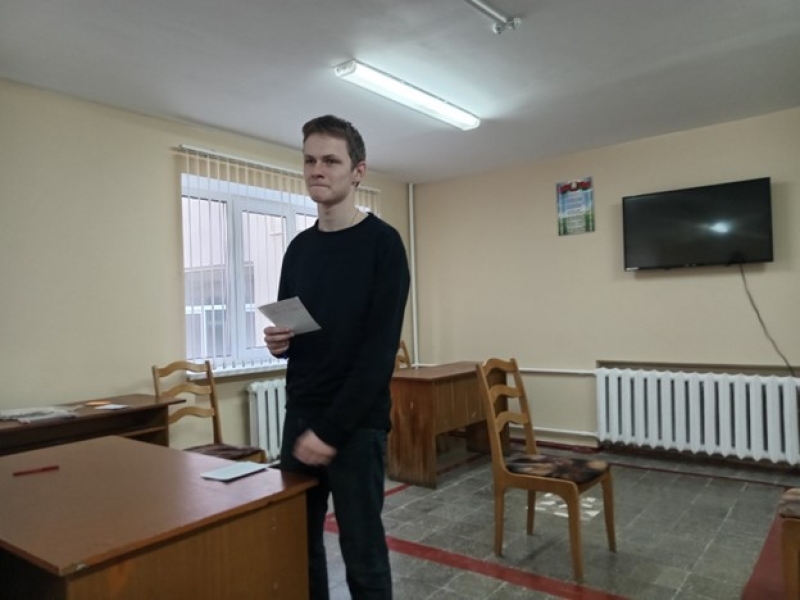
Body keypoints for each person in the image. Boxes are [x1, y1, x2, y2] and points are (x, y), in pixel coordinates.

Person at [264, 114, 410, 600]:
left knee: (363, 556)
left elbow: (377, 356)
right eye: (309, 160)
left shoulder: (383, 245)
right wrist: (279, 343)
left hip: (356, 427)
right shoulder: (298, 249)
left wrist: (330, 432)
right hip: (300, 417)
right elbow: (295, 332)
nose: (317, 170)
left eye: (330, 160)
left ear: (358, 172)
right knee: (298, 549)